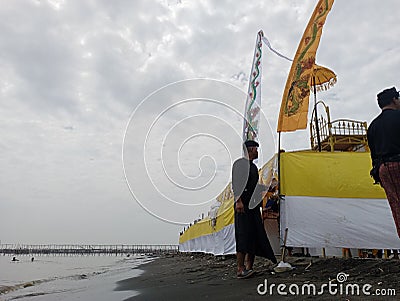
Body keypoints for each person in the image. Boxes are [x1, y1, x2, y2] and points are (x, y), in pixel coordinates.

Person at [232, 140, 277, 279]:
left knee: (254, 235)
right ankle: (240, 269)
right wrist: (238, 201)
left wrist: (269, 188)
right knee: (243, 235)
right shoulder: (239, 164)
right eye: (256, 149)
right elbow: (236, 183)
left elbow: (254, 187)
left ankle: (249, 267)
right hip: (243, 207)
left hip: (253, 207)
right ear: (250, 149)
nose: (257, 152)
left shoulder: (253, 167)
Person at [367, 87, 400, 238]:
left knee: (397, 207)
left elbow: (374, 155)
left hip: (385, 170)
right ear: (394, 100)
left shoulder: (373, 126)